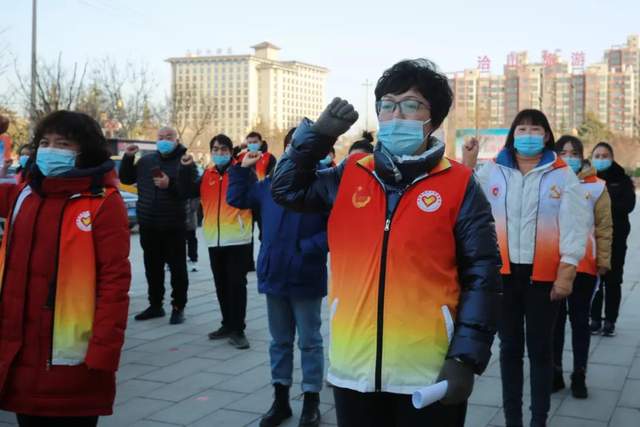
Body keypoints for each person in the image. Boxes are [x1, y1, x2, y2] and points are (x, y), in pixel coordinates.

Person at [272, 59, 502, 427]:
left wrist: (466, 358)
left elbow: (483, 275)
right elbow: (285, 189)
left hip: (427, 373)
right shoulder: (350, 174)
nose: (397, 114)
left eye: (411, 104)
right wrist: (317, 136)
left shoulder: (459, 183)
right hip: (353, 369)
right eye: (388, 104)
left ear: (433, 119)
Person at [0, 111, 131, 427]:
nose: (50, 150)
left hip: (72, 356)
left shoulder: (102, 201)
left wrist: (104, 349)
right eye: (44, 142)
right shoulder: (25, 194)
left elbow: (115, 282)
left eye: (62, 144)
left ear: (84, 151)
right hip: (19, 351)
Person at [463, 110, 590, 426]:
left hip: (543, 277)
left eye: (535, 129)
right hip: (503, 275)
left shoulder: (561, 174)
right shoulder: (494, 170)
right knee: (509, 349)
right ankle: (513, 419)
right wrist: (468, 163)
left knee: (540, 350)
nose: (528, 135)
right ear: (513, 134)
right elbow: (466, 199)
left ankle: (538, 419)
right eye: (522, 129)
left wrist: (567, 272)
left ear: (546, 136)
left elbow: (576, 225)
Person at [220, 129, 328, 427]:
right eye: (294, 145)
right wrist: (243, 170)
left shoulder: (322, 184)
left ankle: (311, 400)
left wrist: (307, 248)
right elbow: (237, 197)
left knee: (310, 341)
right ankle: (280, 399)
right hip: (275, 273)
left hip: (306, 274)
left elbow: (336, 228)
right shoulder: (270, 184)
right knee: (279, 342)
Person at [551, 135, 612, 399]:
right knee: (554, 323)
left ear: (582, 156)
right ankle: (554, 372)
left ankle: (579, 373)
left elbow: (604, 227)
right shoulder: (548, 181)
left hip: (584, 264)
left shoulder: (597, 187)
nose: (569, 157)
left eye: (574, 153)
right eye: (563, 153)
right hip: (552, 263)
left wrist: (604, 261)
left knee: (579, 321)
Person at [179, 134, 253, 349]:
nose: (219, 153)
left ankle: (238, 330)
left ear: (231, 151)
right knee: (221, 284)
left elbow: (254, 201)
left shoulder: (242, 172)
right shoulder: (207, 175)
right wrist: (185, 168)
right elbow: (186, 191)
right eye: (215, 149)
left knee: (236, 285)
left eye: (224, 149)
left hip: (238, 239)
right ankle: (227, 324)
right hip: (214, 240)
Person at [119, 126, 196, 325]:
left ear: (176, 140)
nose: (164, 140)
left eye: (169, 137)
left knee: (177, 269)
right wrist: (128, 158)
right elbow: (126, 178)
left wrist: (169, 185)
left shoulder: (185, 161)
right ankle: (155, 305)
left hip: (173, 224)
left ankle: (178, 306)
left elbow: (189, 191)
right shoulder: (147, 161)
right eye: (160, 137)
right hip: (149, 223)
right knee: (152, 268)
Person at [589, 142, 636, 337]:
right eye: (597, 156)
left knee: (613, 280)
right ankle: (594, 319)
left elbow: (629, 205)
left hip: (616, 237)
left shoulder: (622, 179)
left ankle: (610, 320)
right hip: (592, 238)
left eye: (604, 155)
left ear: (612, 157)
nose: (601, 159)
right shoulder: (587, 178)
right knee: (595, 280)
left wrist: (603, 206)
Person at [185, 197, 200, 272]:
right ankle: (170, 261)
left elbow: (195, 202)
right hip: (176, 219)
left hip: (190, 219)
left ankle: (193, 260)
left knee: (192, 240)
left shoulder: (192, 190)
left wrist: (189, 208)